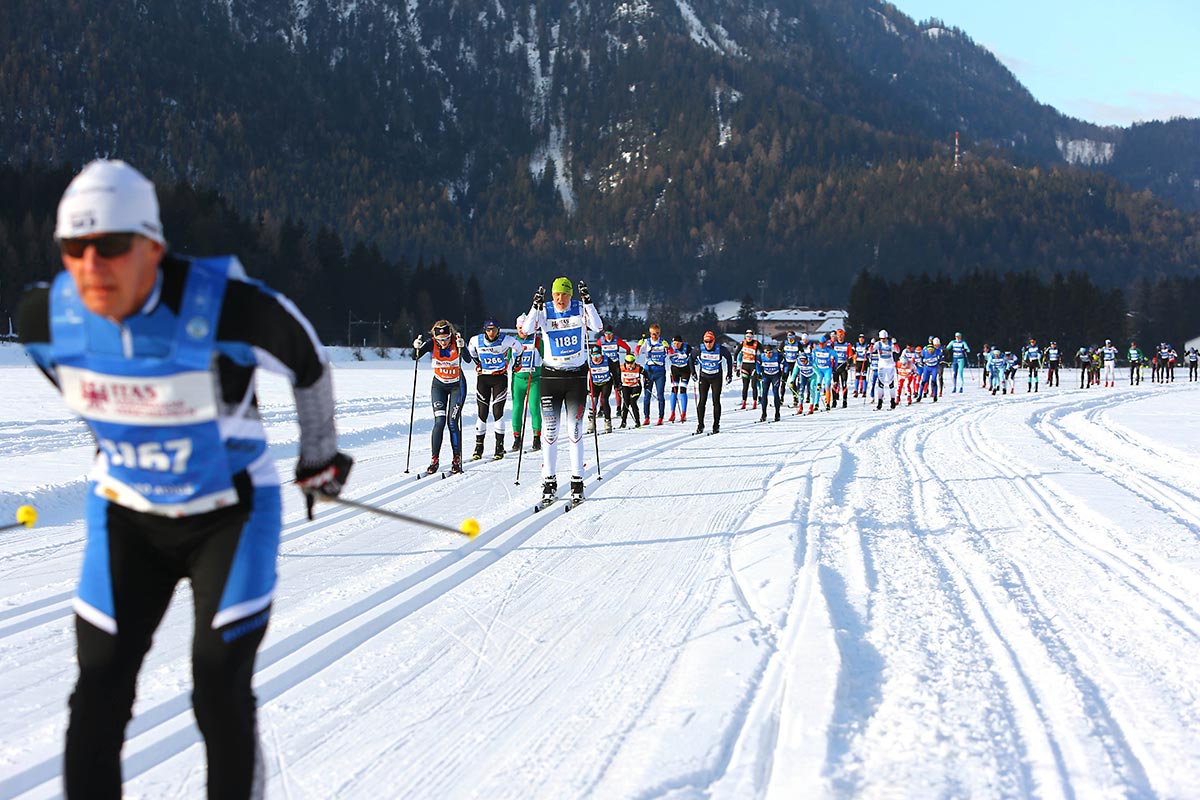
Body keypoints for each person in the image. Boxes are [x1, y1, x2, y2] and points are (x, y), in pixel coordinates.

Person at [19, 160, 352, 799]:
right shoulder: (46, 318)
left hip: (229, 513)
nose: (91, 265)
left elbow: (308, 361)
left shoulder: (228, 308)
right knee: (99, 686)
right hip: (127, 512)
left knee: (218, 681)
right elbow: (60, 370)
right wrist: (119, 434)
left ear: (153, 247)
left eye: (112, 246)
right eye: (73, 248)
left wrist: (319, 458)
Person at [523, 277, 603, 504]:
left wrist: (588, 302)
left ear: (571, 295)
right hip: (551, 376)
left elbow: (598, 327)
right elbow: (528, 330)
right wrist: (535, 305)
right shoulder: (545, 310)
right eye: (556, 294)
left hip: (576, 376)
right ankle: (549, 480)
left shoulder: (579, 308)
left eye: (565, 294)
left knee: (575, 430)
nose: (560, 299)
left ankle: (577, 480)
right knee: (550, 431)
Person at [413, 321, 472, 474]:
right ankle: (434, 459)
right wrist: (417, 347)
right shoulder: (432, 343)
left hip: (457, 386)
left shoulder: (456, 342)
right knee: (439, 422)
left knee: (452, 422)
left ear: (450, 335)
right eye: (440, 339)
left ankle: (456, 459)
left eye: (446, 338)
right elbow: (415, 357)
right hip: (438, 386)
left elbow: (467, 359)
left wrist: (462, 346)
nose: (443, 342)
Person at [468, 318, 522, 460]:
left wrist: (517, 363)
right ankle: (478, 447)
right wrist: (477, 362)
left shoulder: (505, 340)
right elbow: (471, 350)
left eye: (494, 330)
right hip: (483, 378)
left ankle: (499, 447)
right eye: (488, 330)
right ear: (485, 330)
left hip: (499, 378)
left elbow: (519, 347)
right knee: (482, 413)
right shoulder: (476, 340)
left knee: (498, 412)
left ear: (498, 330)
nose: (491, 333)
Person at [510, 314, 543, 453]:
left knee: (534, 407)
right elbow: (505, 360)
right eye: (519, 329)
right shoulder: (512, 342)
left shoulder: (536, 341)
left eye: (524, 329)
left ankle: (537, 437)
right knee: (517, 407)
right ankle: (517, 438)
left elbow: (546, 357)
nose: (522, 332)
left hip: (534, 379)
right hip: (518, 379)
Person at [689, 330, 733, 434]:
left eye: (710, 341)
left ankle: (716, 425)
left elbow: (729, 359)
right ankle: (700, 425)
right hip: (704, 377)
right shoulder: (699, 348)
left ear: (714, 341)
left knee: (716, 401)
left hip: (716, 378)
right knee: (702, 401)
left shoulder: (720, 349)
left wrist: (729, 374)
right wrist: (693, 372)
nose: (708, 344)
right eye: (706, 341)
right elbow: (691, 359)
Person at [637, 323, 671, 425]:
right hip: (649, 371)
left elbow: (671, 353)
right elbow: (637, 353)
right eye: (652, 334)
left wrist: (668, 348)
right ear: (650, 333)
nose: (654, 336)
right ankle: (646, 417)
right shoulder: (647, 342)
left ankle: (660, 417)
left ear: (659, 333)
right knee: (647, 395)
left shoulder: (663, 342)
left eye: (656, 333)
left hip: (660, 372)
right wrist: (639, 345)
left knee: (660, 395)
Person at [587, 344, 615, 434]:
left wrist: (618, 383)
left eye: (598, 355)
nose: (596, 358)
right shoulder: (589, 362)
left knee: (604, 400)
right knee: (593, 402)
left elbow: (615, 371)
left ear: (601, 354)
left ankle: (608, 422)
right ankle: (591, 422)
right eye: (593, 355)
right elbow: (583, 375)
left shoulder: (607, 360)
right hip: (595, 384)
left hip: (606, 383)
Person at [757, 341, 786, 421]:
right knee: (764, 393)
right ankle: (763, 414)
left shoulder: (778, 356)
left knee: (775, 393)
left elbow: (785, 364)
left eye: (770, 353)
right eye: (766, 353)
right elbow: (757, 364)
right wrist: (758, 373)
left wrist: (784, 373)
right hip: (766, 375)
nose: (768, 354)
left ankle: (777, 413)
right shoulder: (761, 357)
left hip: (775, 375)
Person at [667, 334, 692, 423]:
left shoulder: (687, 347)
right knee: (674, 390)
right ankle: (672, 413)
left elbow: (692, 357)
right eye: (674, 343)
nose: (676, 345)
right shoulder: (670, 347)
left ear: (681, 342)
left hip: (685, 370)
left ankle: (683, 414)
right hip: (675, 370)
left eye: (678, 343)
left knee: (682, 390)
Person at [871, 330, 899, 410]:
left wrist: (895, 344)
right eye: (882, 338)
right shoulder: (878, 344)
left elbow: (897, 351)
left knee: (891, 384)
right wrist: (872, 344)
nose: (883, 340)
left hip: (890, 365)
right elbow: (871, 351)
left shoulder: (890, 343)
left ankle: (892, 401)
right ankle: (880, 402)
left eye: (885, 338)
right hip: (881, 366)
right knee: (880, 384)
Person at [618, 353, 645, 429]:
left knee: (633, 402)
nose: (629, 365)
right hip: (625, 386)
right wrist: (618, 384)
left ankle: (637, 422)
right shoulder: (621, 368)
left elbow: (646, 375)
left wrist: (646, 382)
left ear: (634, 362)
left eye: (631, 363)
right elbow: (615, 375)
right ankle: (623, 422)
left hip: (636, 387)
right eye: (627, 363)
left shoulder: (638, 368)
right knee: (626, 403)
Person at [734, 330, 760, 409]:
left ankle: (755, 402)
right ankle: (744, 402)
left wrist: (761, 363)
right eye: (747, 336)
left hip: (753, 366)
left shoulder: (756, 343)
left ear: (753, 337)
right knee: (745, 386)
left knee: (753, 385)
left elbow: (763, 352)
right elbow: (736, 353)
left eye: (750, 337)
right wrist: (735, 365)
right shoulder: (743, 343)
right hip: (745, 366)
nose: (749, 338)